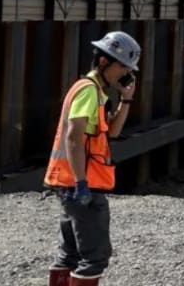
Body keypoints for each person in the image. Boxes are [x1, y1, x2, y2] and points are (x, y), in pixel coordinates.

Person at [44, 31, 141, 286]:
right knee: (95, 257)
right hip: (81, 185)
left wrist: (126, 98)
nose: (125, 73)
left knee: (71, 254)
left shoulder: (95, 93)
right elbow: (74, 138)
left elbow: (114, 132)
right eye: (123, 66)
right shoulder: (88, 91)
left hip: (70, 183)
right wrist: (81, 183)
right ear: (103, 62)